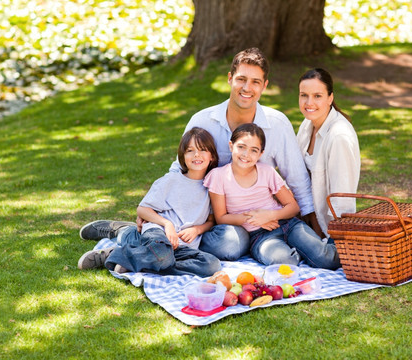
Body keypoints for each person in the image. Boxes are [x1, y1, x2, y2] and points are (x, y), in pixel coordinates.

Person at [80, 48, 317, 262]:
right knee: (231, 246)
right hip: (210, 218)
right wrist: (156, 214)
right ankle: (131, 236)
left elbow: (297, 180)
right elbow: (180, 168)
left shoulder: (277, 124)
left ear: (264, 86)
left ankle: (141, 242)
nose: (247, 88)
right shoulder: (203, 120)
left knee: (236, 246)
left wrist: (315, 230)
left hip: (259, 218)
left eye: (255, 82)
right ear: (229, 79)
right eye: (241, 79)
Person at [78, 127, 221, 277]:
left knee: (211, 265)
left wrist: (197, 230)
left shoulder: (212, 186)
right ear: (183, 156)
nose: (197, 155)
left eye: (203, 149)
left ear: (212, 156)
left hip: (181, 247)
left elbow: (211, 220)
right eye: (190, 150)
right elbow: (142, 209)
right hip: (158, 233)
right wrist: (167, 224)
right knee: (162, 254)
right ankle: (112, 255)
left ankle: (136, 257)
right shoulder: (171, 180)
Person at [204, 123, 340, 269]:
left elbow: (293, 207)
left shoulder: (267, 172)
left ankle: (339, 244)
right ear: (231, 146)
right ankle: (300, 251)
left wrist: (270, 215)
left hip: (288, 224)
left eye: (253, 150)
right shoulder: (218, 176)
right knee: (284, 262)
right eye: (241, 147)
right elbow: (221, 217)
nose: (246, 154)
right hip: (260, 237)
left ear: (261, 154)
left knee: (326, 260)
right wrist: (255, 219)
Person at [296, 68, 360, 239]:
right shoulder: (307, 124)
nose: (309, 102)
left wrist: (336, 240)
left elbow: (342, 198)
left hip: (328, 228)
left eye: (317, 96)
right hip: (305, 215)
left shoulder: (339, 136)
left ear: (330, 98)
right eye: (304, 95)